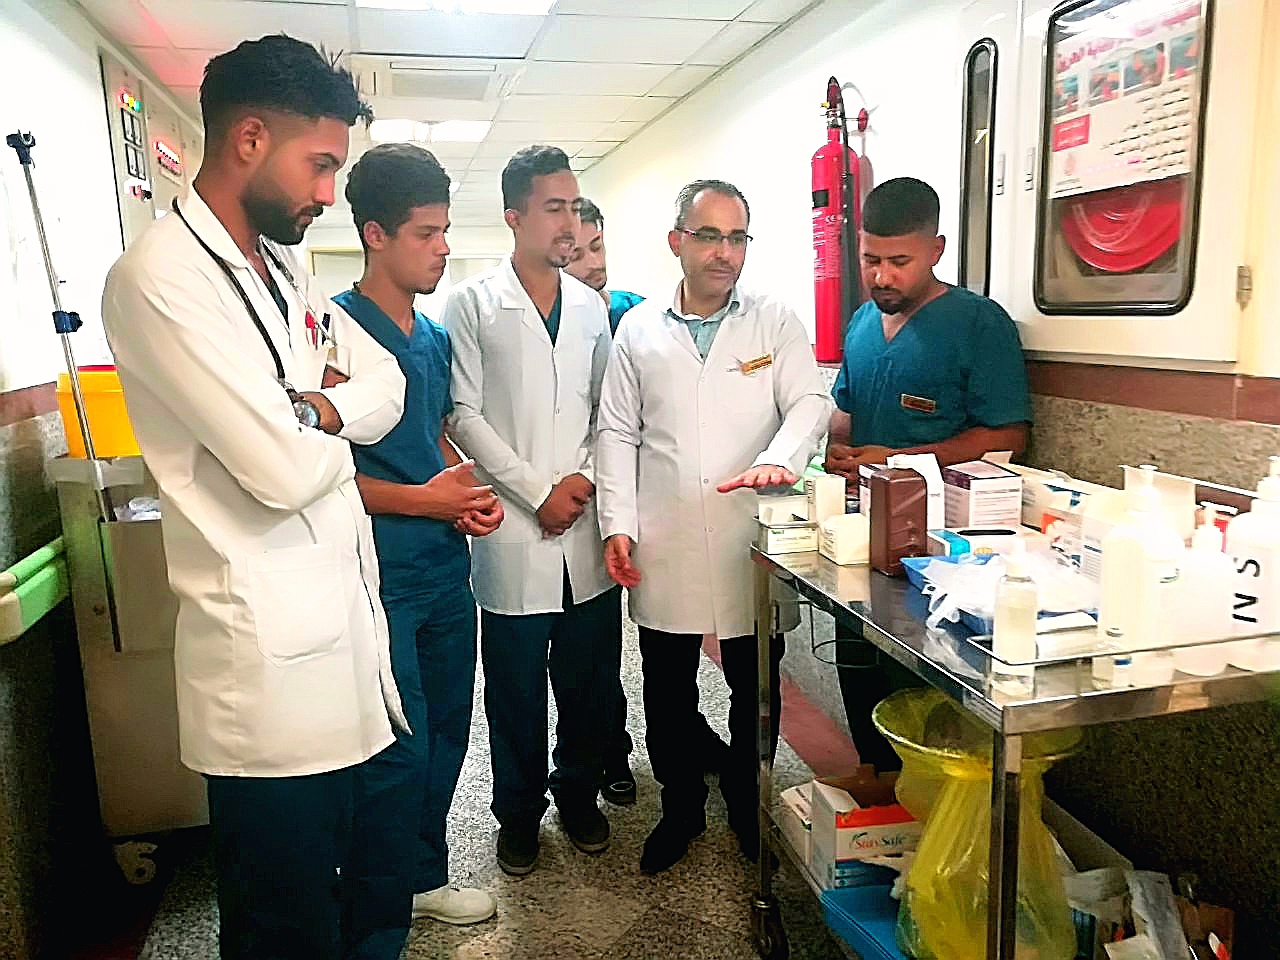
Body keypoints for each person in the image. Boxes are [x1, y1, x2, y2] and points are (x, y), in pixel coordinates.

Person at [100, 36, 414, 959]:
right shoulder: (161, 279)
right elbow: (276, 471)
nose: (329, 193)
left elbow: (387, 383)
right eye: (319, 164)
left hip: (342, 642)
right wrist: (321, 432)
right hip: (266, 681)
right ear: (248, 139)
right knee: (282, 926)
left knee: (343, 899)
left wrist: (311, 409)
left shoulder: (281, 268)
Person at [596, 179, 832, 874]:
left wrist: (778, 459)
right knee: (668, 691)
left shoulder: (774, 321)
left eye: (736, 237)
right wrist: (617, 523)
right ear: (678, 241)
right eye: (708, 236)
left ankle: (748, 802)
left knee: (756, 691)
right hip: (665, 535)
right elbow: (616, 431)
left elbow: (809, 401)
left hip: (749, 537)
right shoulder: (639, 329)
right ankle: (680, 808)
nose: (724, 252)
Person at [335, 143, 504, 926]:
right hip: (381, 578)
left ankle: (420, 876)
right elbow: (322, 474)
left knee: (446, 731)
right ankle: (377, 902)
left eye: (445, 231)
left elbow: (432, 436)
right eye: (425, 234)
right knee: (396, 747)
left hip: (444, 572)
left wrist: (464, 493)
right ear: (376, 235)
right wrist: (426, 503)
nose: (442, 249)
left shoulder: (431, 337)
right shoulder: (336, 337)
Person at [442, 145, 620, 877]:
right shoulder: (472, 303)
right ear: (514, 217)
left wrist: (580, 481)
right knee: (515, 693)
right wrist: (536, 491)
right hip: (512, 529)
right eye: (554, 208)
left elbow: (610, 413)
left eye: (574, 207)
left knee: (587, 683)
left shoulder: (591, 308)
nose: (569, 223)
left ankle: (578, 793)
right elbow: (463, 413)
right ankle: (517, 813)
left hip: (582, 525)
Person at [824, 176, 1031, 772]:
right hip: (863, 541)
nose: (882, 276)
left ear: (936, 250)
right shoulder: (862, 324)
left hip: (942, 555)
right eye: (870, 260)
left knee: (921, 694)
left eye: (899, 262)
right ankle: (875, 787)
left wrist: (899, 461)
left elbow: (1007, 436)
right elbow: (846, 410)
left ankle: (922, 799)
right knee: (858, 667)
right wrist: (836, 449)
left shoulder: (977, 325)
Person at [564, 197, 731, 806]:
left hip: (655, 504)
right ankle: (612, 752)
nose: (592, 264)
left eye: (598, 247)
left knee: (666, 648)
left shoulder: (633, 313)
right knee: (602, 652)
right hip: (582, 502)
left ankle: (696, 741)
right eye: (576, 253)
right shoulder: (558, 320)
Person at [566, 198, 644, 334]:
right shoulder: (552, 331)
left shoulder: (639, 313)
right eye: (575, 256)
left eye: (596, 247)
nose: (594, 263)